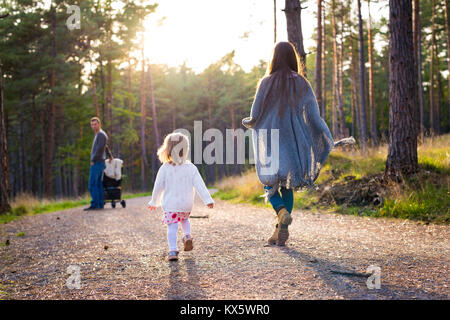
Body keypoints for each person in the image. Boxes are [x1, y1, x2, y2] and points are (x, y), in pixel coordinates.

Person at [242, 42, 340, 246]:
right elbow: (313, 113)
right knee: (288, 183)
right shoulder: (302, 83)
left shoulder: (266, 82)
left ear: (274, 58)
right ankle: (280, 228)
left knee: (269, 182)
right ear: (293, 58)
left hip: (270, 139)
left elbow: (256, 112)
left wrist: (249, 122)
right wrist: (323, 135)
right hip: (292, 141)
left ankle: (281, 213)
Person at [148, 132, 214, 261]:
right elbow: (200, 184)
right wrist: (208, 200)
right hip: (186, 204)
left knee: (172, 226)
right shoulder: (191, 167)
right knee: (184, 219)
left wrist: (154, 202)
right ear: (185, 150)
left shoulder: (165, 168)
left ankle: (173, 251)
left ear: (168, 149)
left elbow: (158, 186)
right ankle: (187, 235)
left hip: (171, 205)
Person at [84, 117, 109, 211]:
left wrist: (93, 159)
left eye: (95, 124)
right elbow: (105, 147)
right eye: (92, 124)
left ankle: (95, 204)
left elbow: (99, 149)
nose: (93, 126)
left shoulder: (101, 135)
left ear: (99, 124)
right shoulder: (99, 135)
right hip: (99, 162)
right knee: (98, 184)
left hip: (98, 162)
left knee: (92, 184)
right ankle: (99, 205)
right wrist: (110, 156)